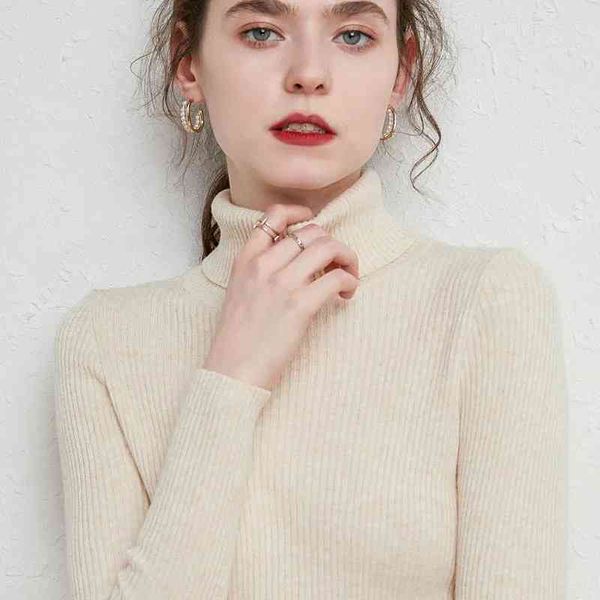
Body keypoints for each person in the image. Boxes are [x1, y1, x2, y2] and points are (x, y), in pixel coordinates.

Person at [53, 0, 568, 598]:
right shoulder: (105, 340)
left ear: (400, 73)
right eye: (261, 32)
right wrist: (232, 376)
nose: (308, 74)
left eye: (352, 36)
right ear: (188, 63)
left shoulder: (484, 300)